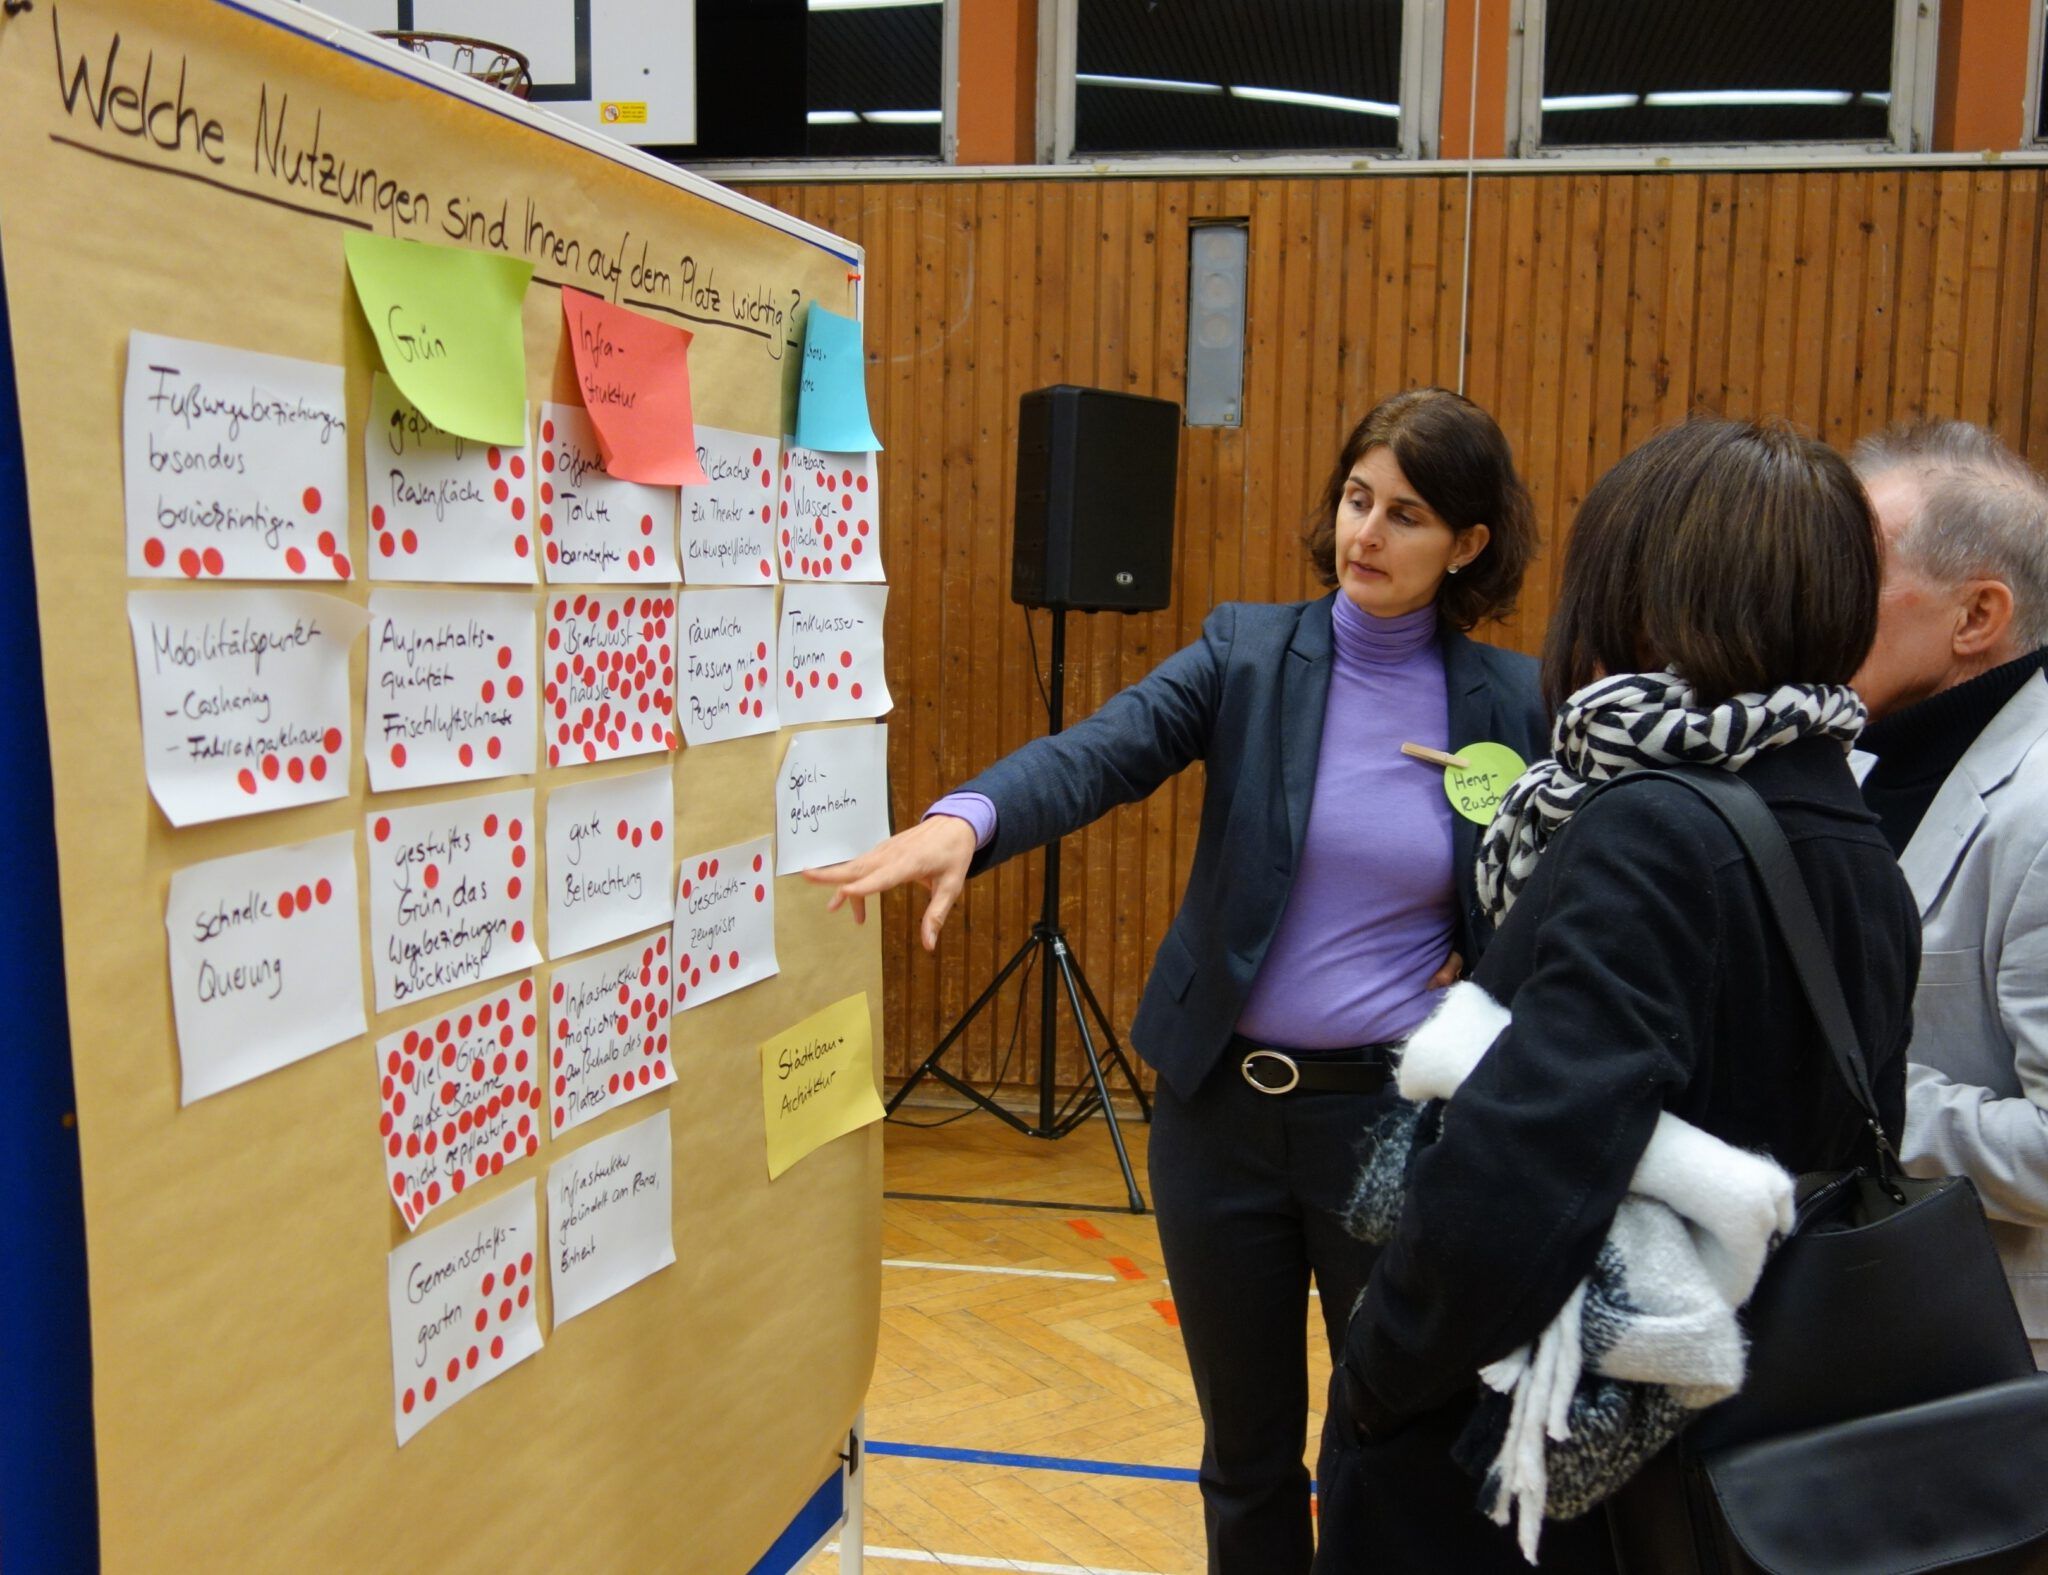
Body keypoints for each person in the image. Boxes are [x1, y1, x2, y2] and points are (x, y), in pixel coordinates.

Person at [806, 387, 1549, 1573]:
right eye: (1356, 499)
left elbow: (1548, 896)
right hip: (1219, 1121)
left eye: (1405, 515)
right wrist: (967, 819)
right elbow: (1099, 752)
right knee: (1245, 1460)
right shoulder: (1248, 654)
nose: (1365, 533)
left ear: (1466, 545)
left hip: (1388, 1126)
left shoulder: (1511, 703)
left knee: (1392, 1444)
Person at [1322, 419, 1921, 1572]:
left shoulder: (1649, 825)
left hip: (1545, 1458)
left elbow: (1523, 1165)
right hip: (1730, 1445)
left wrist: (1377, 1378)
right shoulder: (1854, 840)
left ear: (1644, 601)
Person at [1849, 421, 2048, 1365]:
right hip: (1860, 1320)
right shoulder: (1849, 758)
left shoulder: (2040, 807)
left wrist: (1841, 1090)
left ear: (1977, 616)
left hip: (1998, 1358)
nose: (1817, 597)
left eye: (1858, 572)